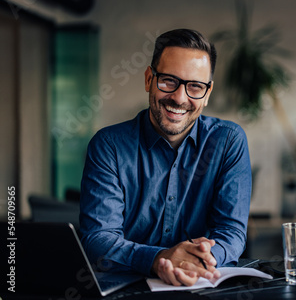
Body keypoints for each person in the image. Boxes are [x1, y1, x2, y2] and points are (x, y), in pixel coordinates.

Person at [79, 28, 252, 287]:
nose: (180, 98)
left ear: (207, 93)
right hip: (126, 291)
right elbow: (98, 238)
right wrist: (160, 258)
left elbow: (232, 232)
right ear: (149, 79)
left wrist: (201, 259)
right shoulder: (109, 146)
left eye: (195, 86)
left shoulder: (228, 142)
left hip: (200, 285)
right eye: (169, 81)